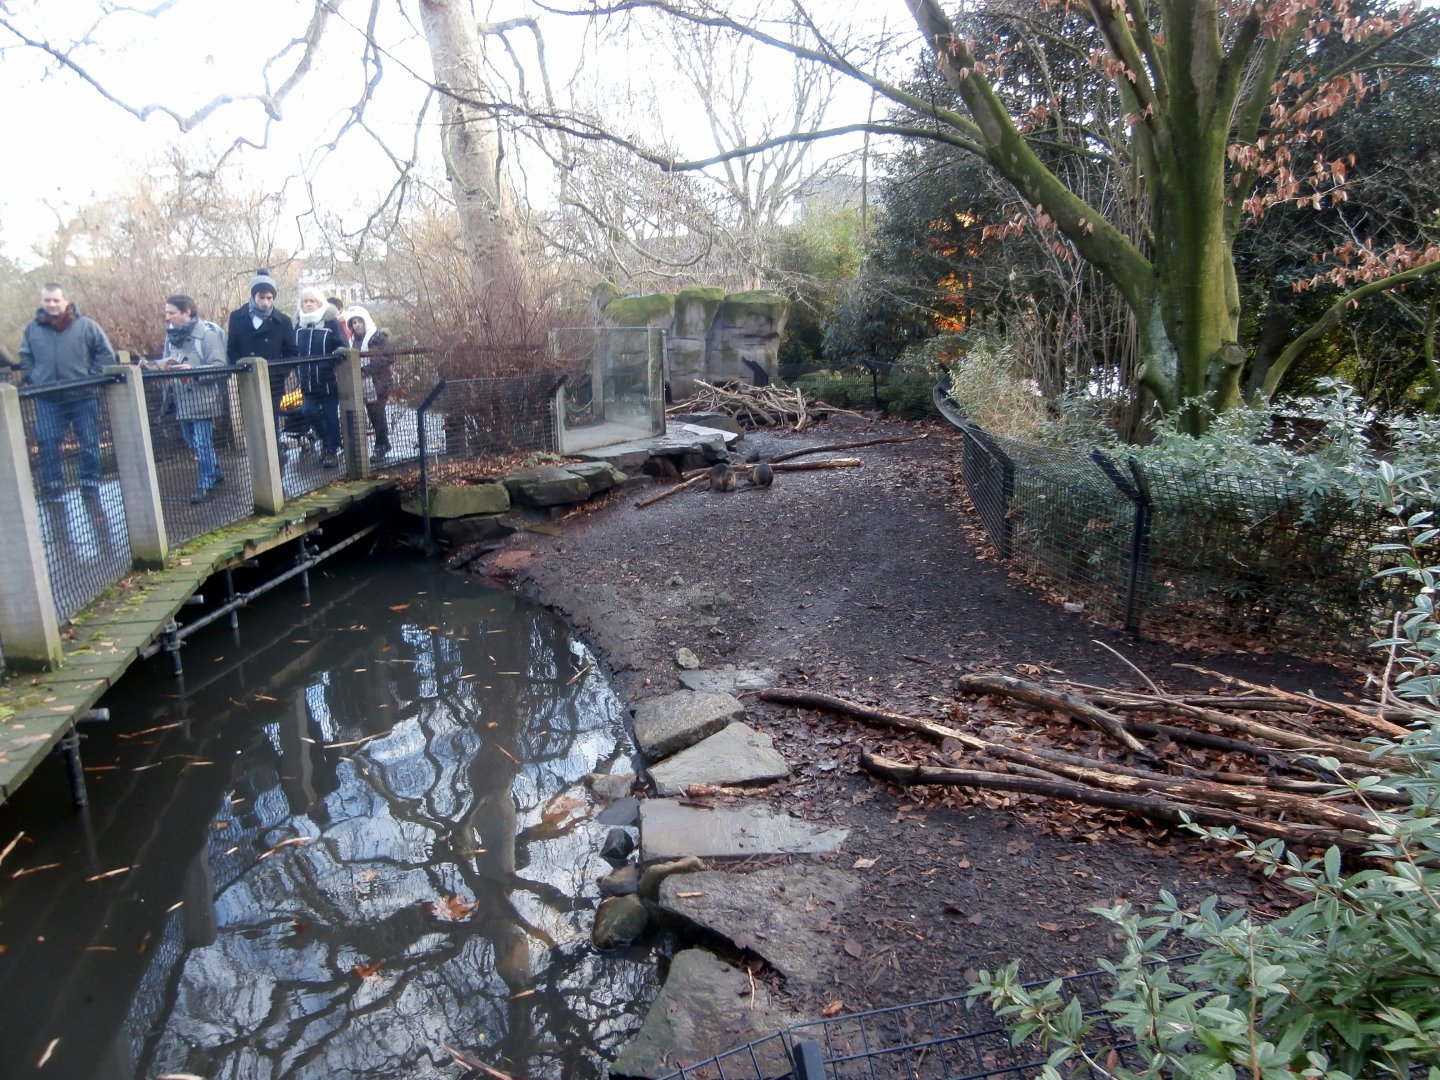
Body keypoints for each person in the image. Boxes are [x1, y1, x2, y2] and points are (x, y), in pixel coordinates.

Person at [18, 282, 116, 497]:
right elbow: (25, 355)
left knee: (89, 441)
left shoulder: (87, 326)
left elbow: (105, 354)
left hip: (83, 395)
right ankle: (52, 484)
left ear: (65, 301)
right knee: (47, 441)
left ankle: (89, 482)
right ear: (41, 302)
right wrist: (34, 377)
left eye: (56, 300)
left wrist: (91, 378)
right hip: (48, 397)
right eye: (47, 300)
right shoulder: (33, 329)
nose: (51, 304)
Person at [148, 295, 227, 503]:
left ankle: (206, 484)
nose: (167, 317)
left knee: (201, 443)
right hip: (181, 400)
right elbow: (168, 361)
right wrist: (154, 366)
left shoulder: (207, 336)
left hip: (202, 400)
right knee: (192, 441)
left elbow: (221, 366)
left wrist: (194, 371)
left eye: (171, 313)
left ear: (187, 312)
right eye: (166, 312)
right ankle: (215, 471)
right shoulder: (171, 338)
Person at [227, 268, 296, 448]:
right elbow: (232, 347)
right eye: (262, 297)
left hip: (273, 380)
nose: (266, 302)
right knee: (252, 419)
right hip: (247, 379)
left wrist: (280, 372)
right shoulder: (237, 318)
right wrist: (239, 369)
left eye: (269, 298)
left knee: (271, 420)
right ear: (254, 296)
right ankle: (258, 454)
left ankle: (274, 452)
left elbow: (292, 352)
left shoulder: (283, 321)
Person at [295, 287, 346, 469]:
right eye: (305, 301)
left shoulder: (330, 322)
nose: (308, 304)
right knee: (308, 411)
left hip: (328, 381)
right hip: (307, 382)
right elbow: (293, 351)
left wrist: (330, 363)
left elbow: (342, 346)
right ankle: (327, 441)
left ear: (319, 302)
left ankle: (332, 450)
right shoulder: (299, 326)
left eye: (312, 301)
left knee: (331, 416)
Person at [341, 305, 393, 462]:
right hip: (362, 383)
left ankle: (381, 444)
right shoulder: (353, 342)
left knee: (377, 413)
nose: (357, 325)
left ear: (366, 321)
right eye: (354, 322)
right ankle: (381, 443)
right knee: (370, 414)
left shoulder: (378, 337)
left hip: (379, 383)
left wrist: (367, 369)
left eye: (359, 321)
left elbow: (388, 357)